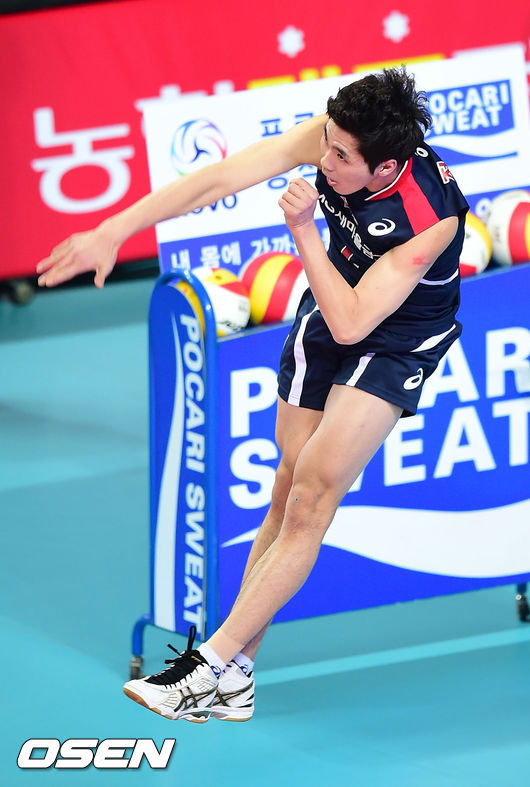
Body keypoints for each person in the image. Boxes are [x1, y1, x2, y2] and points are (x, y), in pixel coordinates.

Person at [37, 68, 468, 723]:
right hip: (335, 297)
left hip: (395, 339)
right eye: (326, 143)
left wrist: (303, 230)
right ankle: (236, 676)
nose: (324, 160)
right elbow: (218, 179)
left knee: (312, 499)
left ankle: (206, 666)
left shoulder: (427, 219)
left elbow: (356, 325)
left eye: (340, 157)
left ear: (384, 168)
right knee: (287, 486)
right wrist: (113, 230)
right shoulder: (337, 139)